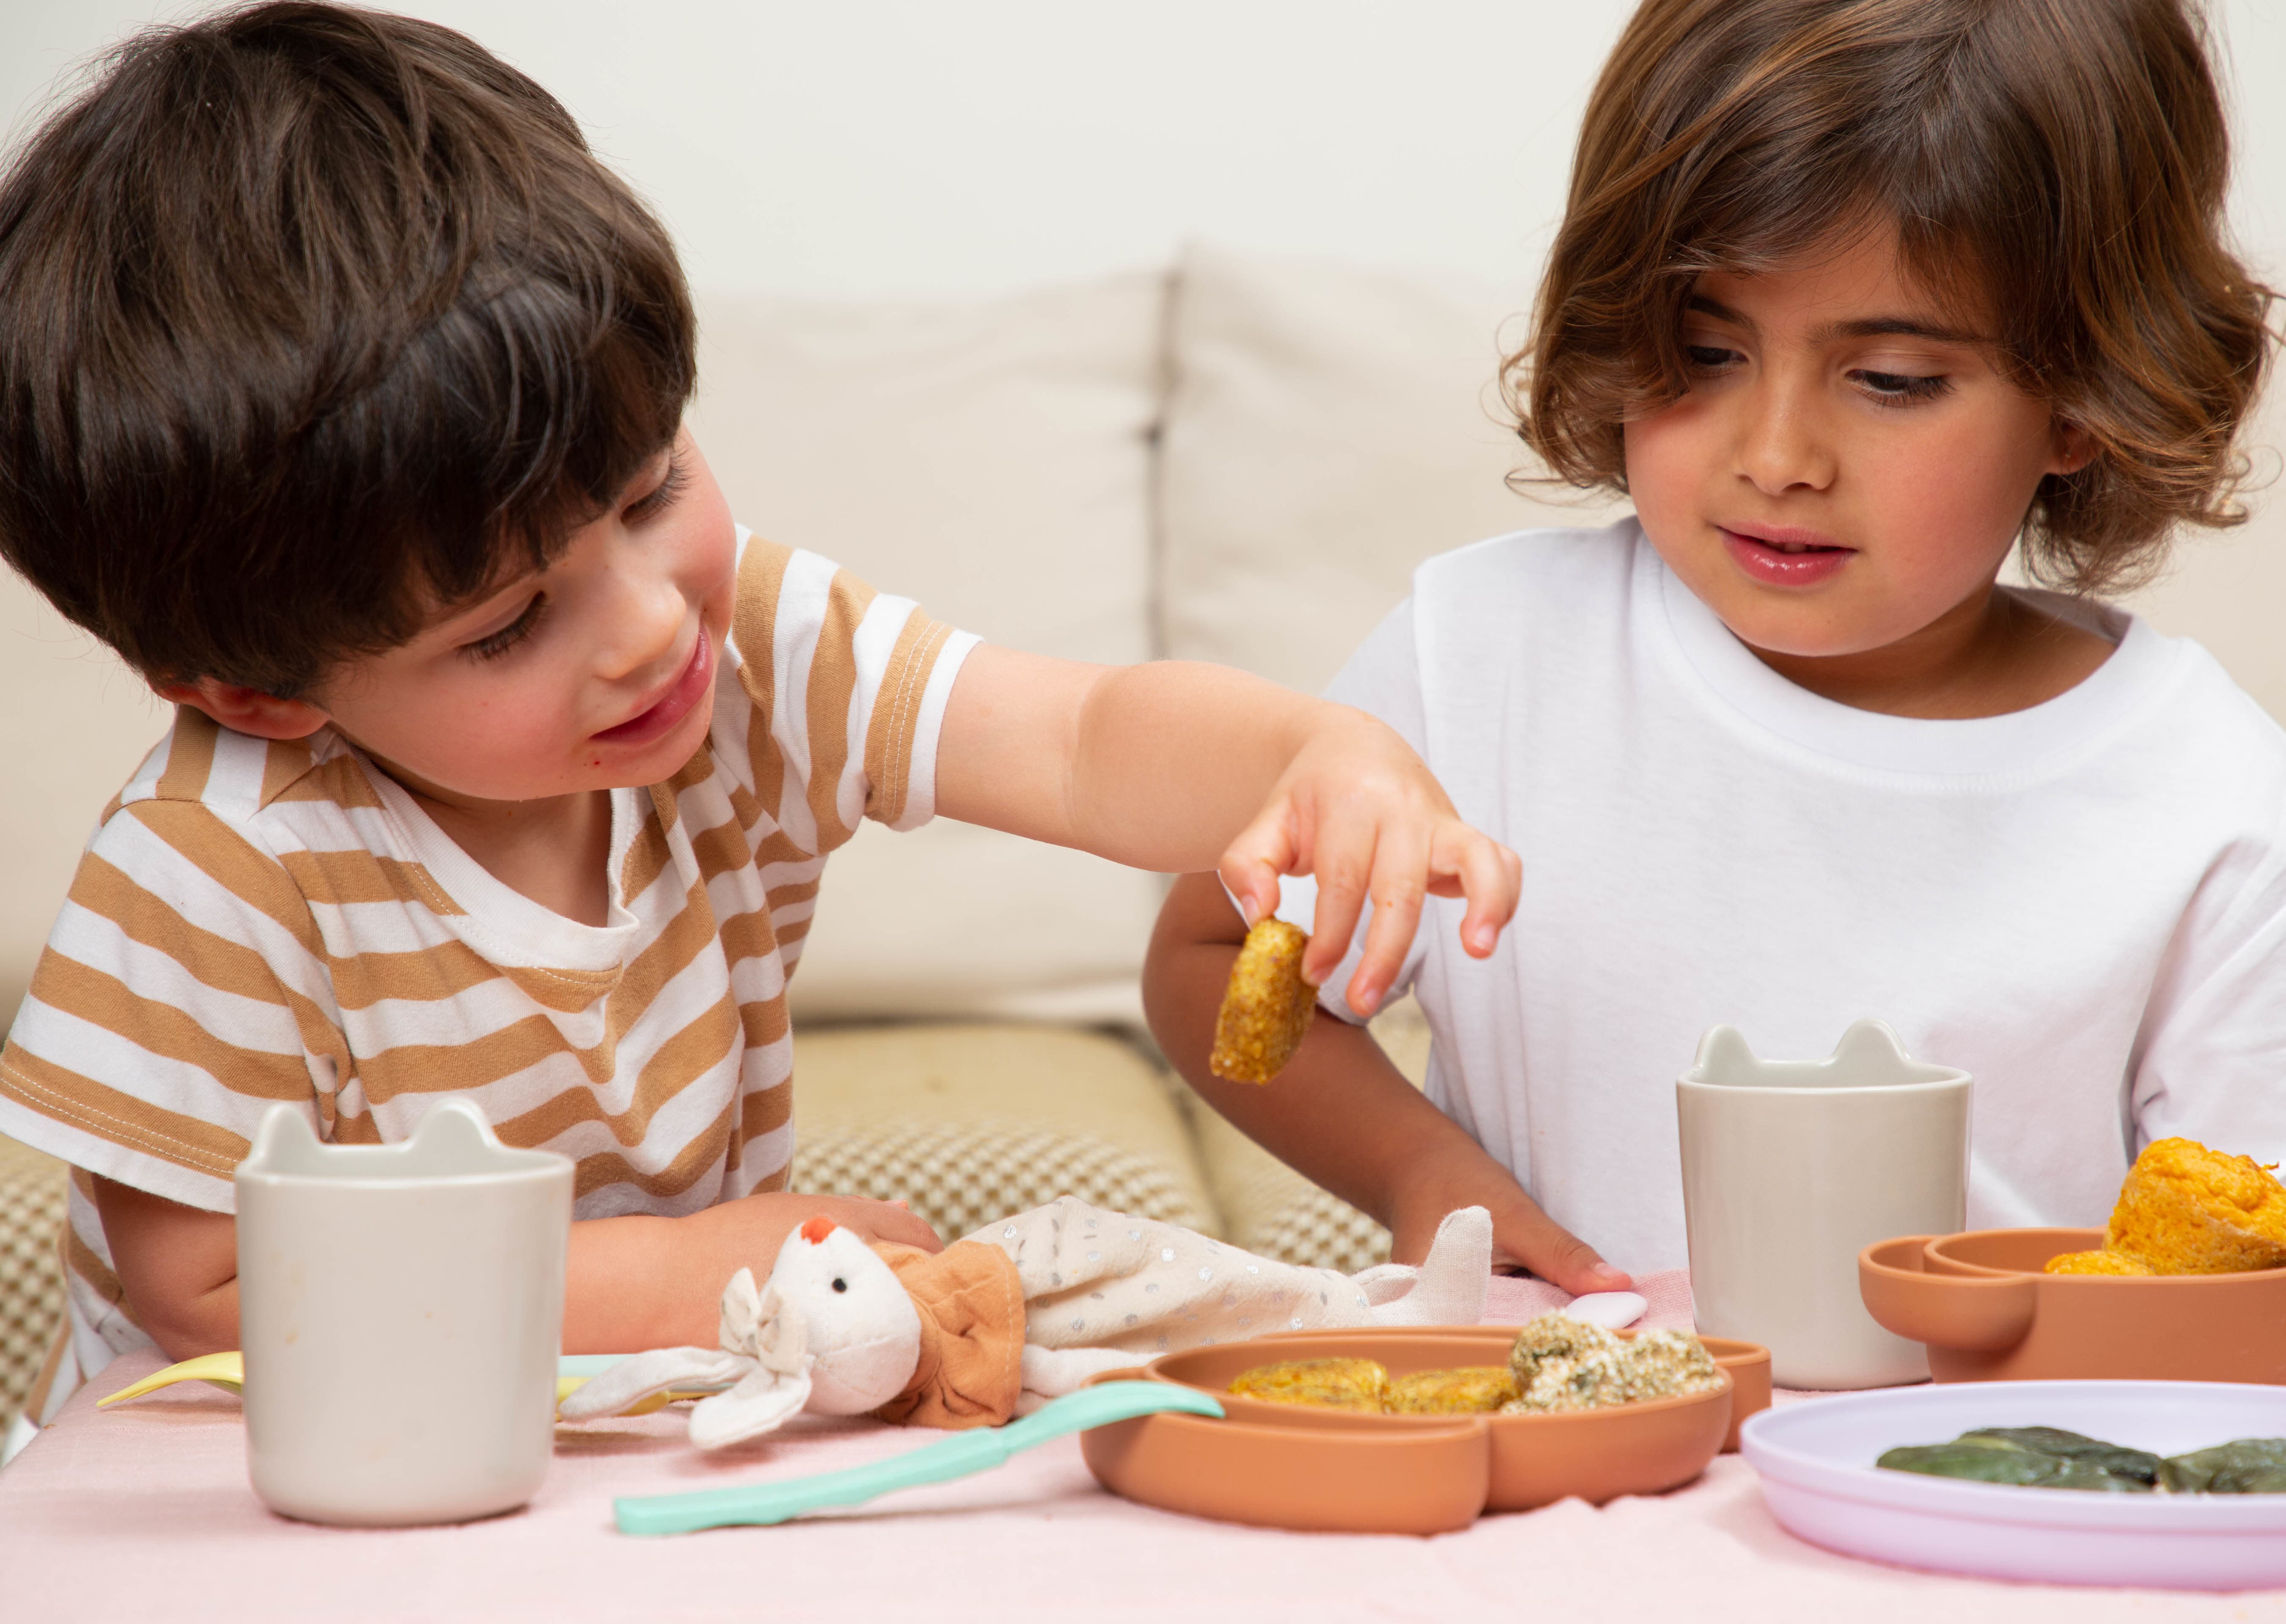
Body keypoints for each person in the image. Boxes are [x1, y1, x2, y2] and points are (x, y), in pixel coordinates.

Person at [0, 2, 1521, 1447]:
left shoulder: (756, 656)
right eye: (513, 624)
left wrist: (1311, 758)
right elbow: (205, 1293)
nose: (654, 622)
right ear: (259, 691)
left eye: (652, 489)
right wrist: (667, 1277)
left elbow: (1076, 741)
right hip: (279, 1489)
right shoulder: (214, 869)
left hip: (647, 1438)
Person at [1143, 0, 2286, 1297]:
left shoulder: (2214, 802)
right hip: (1570, 1447)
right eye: (1705, 352)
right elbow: (1211, 963)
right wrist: (1425, 1171)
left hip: (1974, 1466)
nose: (1777, 458)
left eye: (1895, 379)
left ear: (2085, 398)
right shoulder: (1483, 658)